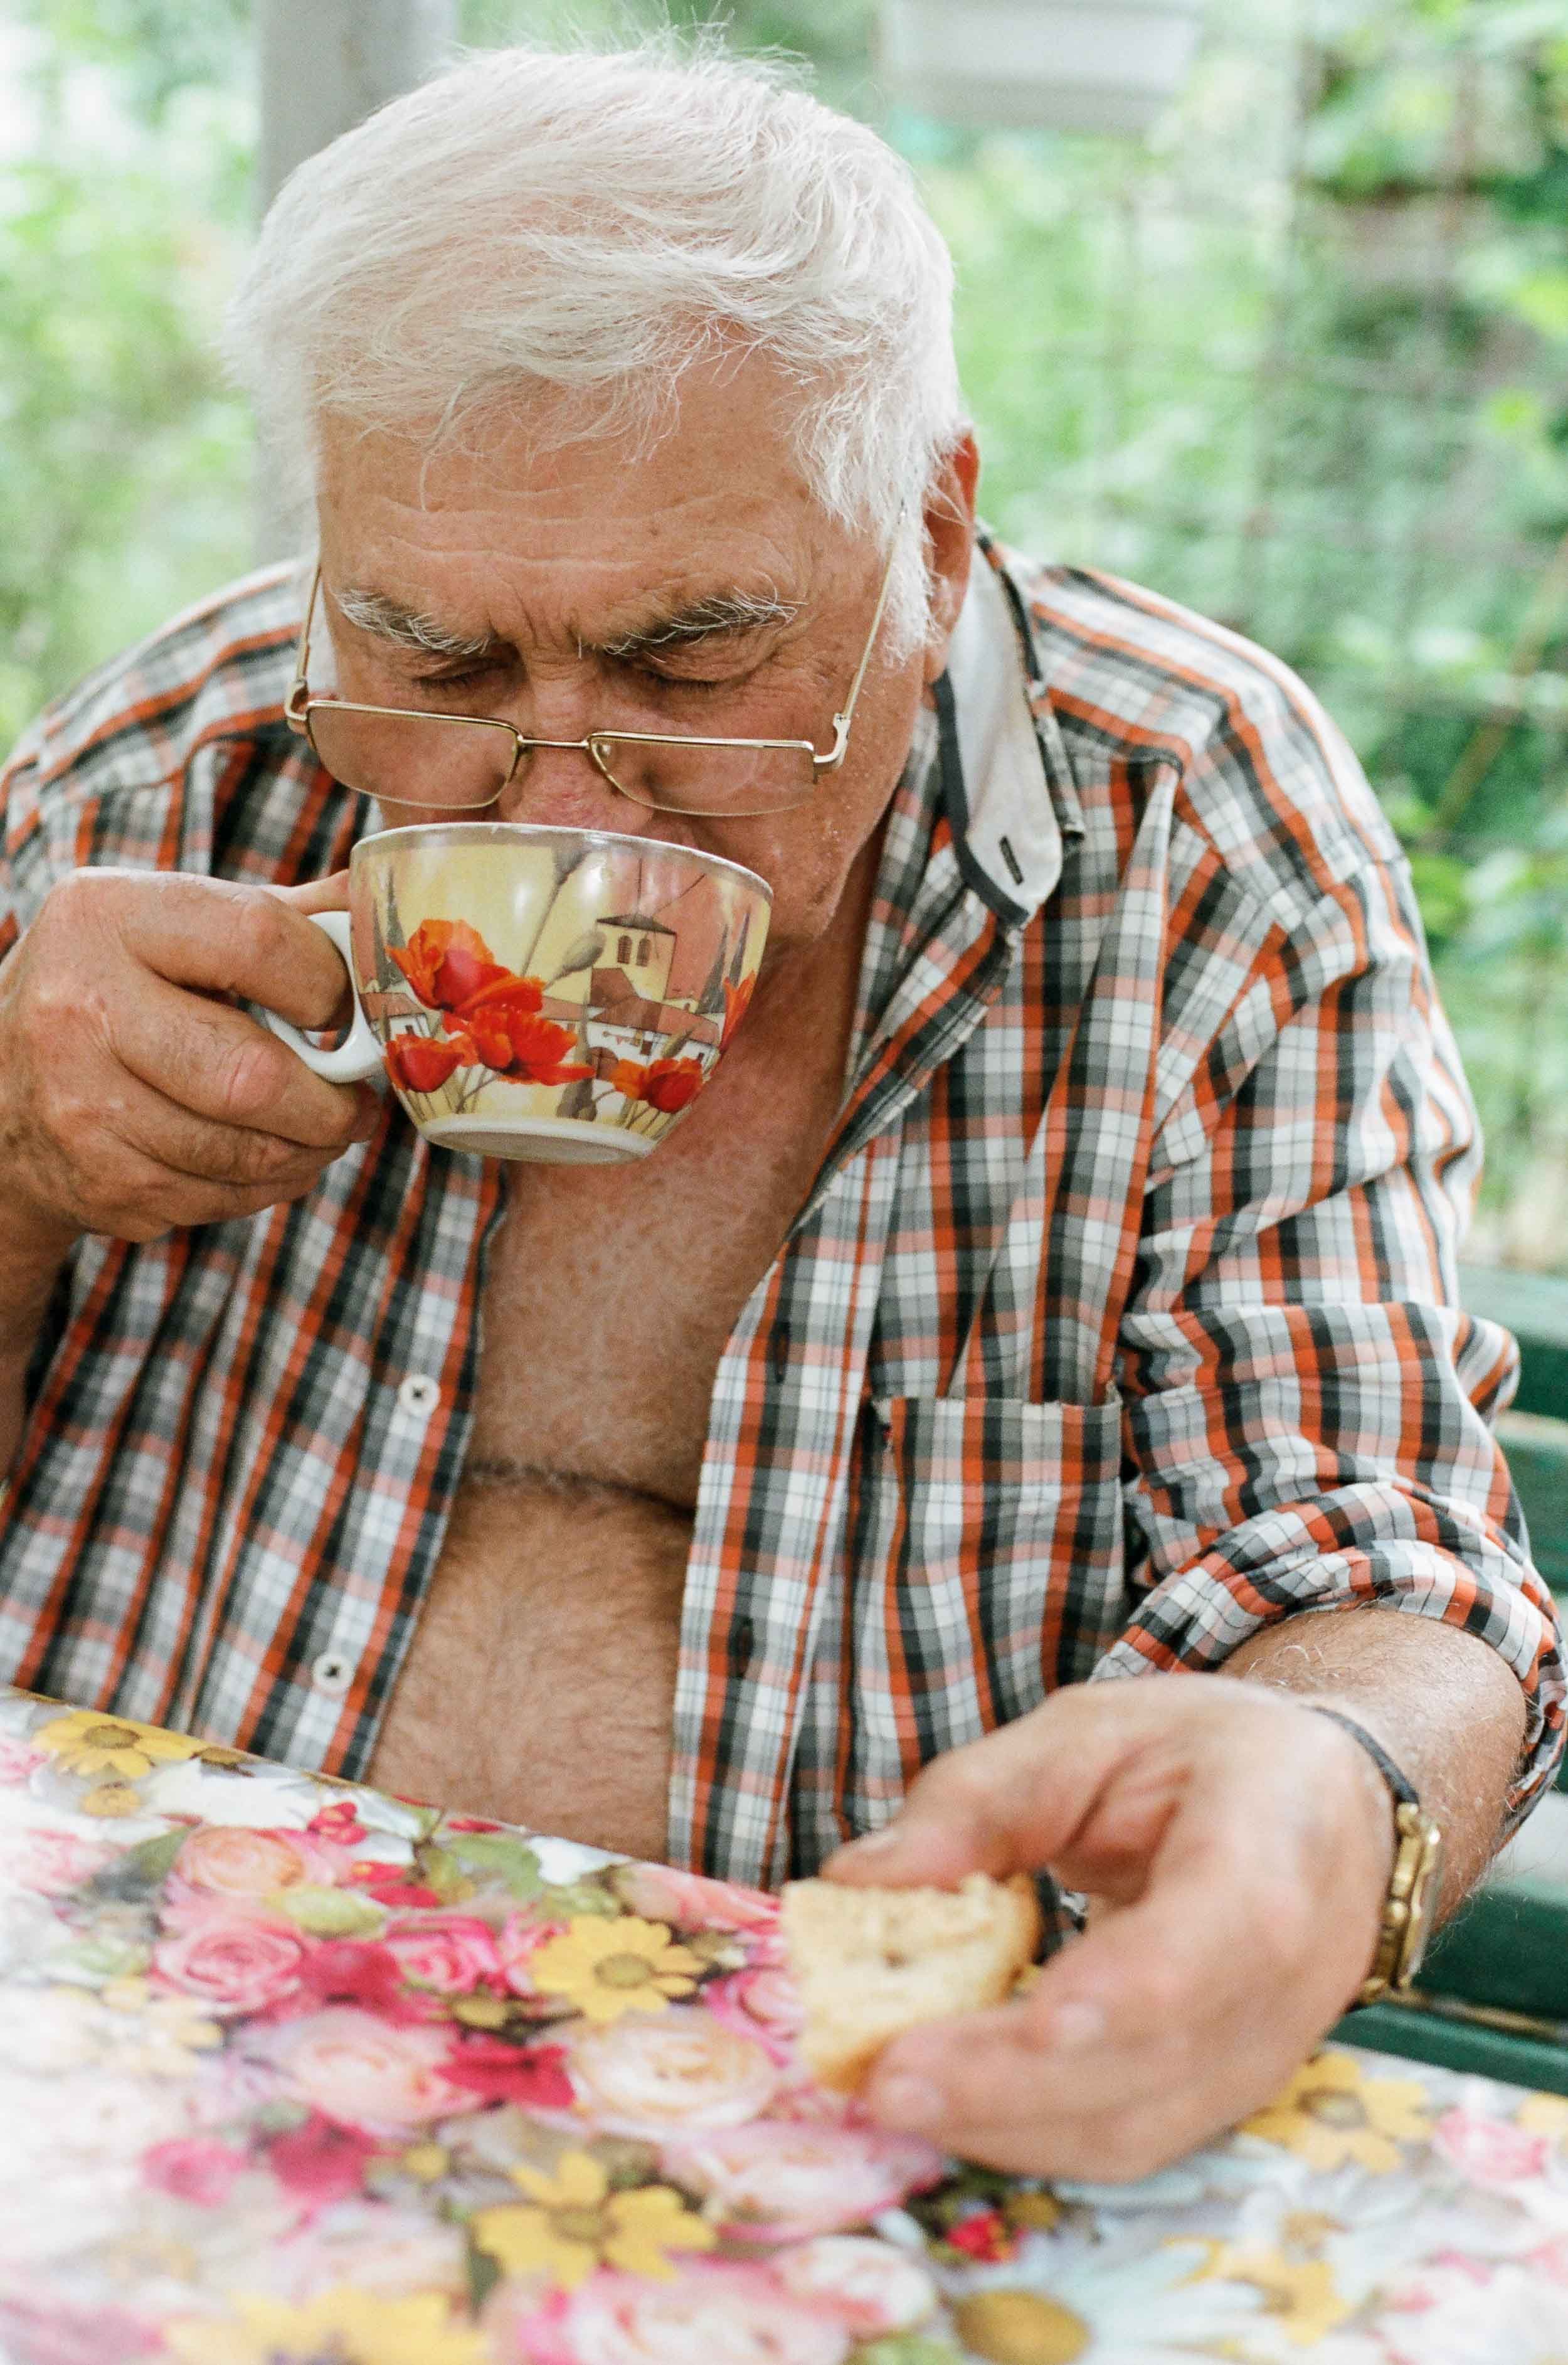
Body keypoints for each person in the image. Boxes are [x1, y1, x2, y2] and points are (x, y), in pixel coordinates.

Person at [0, 40, 1560, 2184]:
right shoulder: (181, 776)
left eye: (690, 659)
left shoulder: (1184, 828)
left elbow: (1380, 1552)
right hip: (117, 2063)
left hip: (868, 2135)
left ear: (929, 526)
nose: (554, 803)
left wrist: (1321, 1788)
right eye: (435, 663)